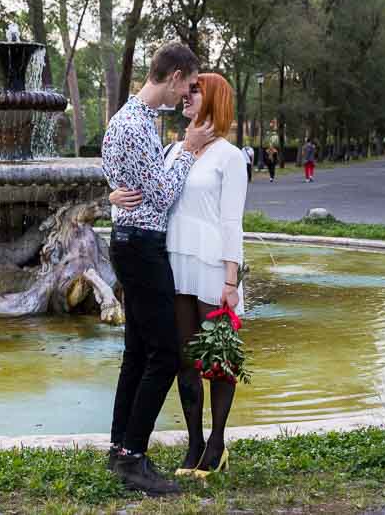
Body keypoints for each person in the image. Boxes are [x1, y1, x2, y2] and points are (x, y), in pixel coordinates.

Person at [109, 73, 246, 480]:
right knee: (183, 360)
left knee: (217, 359)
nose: (187, 96)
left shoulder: (229, 157)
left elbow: (232, 222)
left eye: (196, 91)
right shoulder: (174, 150)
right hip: (173, 265)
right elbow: (152, 192)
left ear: (214, 101)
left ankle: (217, 445)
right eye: (187, 88)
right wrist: (113, 194)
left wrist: (230, 279)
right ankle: (194, 444)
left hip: (211, 268)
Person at [100, 41, 213, 496]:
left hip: (132, 242)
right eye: (186, 84)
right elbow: (163, 195)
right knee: (165, 354)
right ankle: (132, 458)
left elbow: (119, 174)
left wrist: (112, 194)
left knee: (136, 353)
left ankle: (119, 448)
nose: (186, 95)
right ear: (174, 75)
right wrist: (187, 149)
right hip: (142, 248)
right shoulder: (134, 125)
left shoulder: (133, 119)